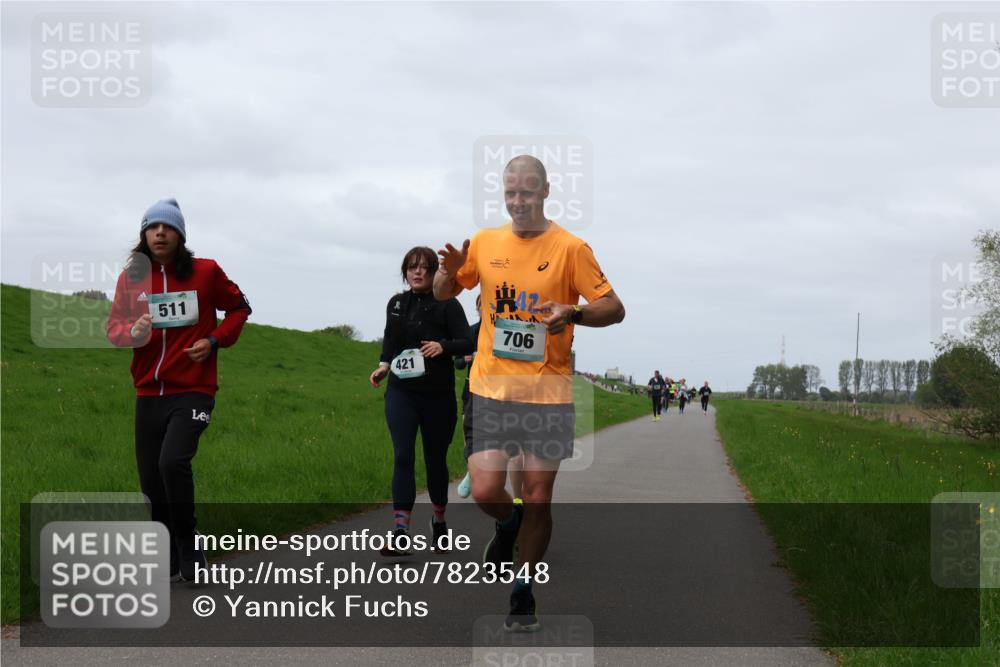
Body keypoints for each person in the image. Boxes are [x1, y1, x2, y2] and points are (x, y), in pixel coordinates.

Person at [434, 155, 625, 632]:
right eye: (510, 193)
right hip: (490, 389)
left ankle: (523, 590)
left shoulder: (570, 248)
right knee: (484, 489)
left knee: (538, 498)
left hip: (547, 393)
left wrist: (574, 313)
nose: (517, 202)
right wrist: (447, 272)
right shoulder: (484, 242)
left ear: (545, 192)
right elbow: (442, 292)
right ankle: (507, 522)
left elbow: (614, 307)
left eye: (526, 192)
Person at [107, 198, 251, 582]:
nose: (160, 233)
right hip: (148, 394)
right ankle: (169, 553)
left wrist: (214, 340)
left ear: (180, 235)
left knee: (172, 462)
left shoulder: (206, 272)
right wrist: (132, 332)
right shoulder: (130, 279)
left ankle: (189, 543)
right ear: (144, 235)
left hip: (193, 389)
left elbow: (240, 308)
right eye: (152, 227)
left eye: (168, 227)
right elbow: (114, 332)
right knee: (151, 482)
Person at [369, 247, 473, 556]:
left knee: (435, 461)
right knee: (403, 456)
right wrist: (384, 366)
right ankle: (401, 532)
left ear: (434, 273)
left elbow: (467, 342)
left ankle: (439, 520)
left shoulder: (448, 304)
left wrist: (443, 347)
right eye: (412, 267)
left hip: (438, 396)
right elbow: (390, 340)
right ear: (405, 271)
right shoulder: (396, 304)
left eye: (425, 268)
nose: (418, 272)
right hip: (402, 393)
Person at [456, 297, 524, 501]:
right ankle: (473, 470)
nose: (484, 310)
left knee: (513, 448)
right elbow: (457, 362)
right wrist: (465, 359)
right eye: (481, 307)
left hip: (505, 392)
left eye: (488, 306)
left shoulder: (507, 329)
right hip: (473, 390)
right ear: (477, 309)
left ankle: (517, 498)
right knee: (472, 439)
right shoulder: (471, 331)